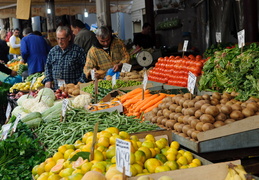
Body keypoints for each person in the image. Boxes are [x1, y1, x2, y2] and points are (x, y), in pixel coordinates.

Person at [42, 26, 87, 90]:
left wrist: (80, 82)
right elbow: (48, 67)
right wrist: (48, 80)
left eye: (62, 38)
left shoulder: (78, 51)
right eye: (58, 38)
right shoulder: (53, 51)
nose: (60, 41)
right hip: (57, 89)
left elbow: (86, 68)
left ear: (69, 38)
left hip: (73, 89)